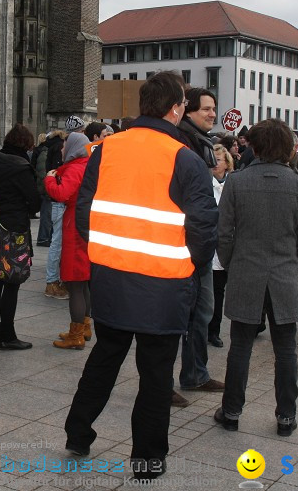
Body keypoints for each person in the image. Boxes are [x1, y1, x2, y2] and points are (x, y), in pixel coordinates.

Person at [64, 71, 217, 480]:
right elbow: (204, 229)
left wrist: (103, 254)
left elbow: (84, 213)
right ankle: (147, 461)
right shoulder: (184, 157)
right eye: (184, 103)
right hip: (164, 287)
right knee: (155, 377)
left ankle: (77, 434)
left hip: (112, 278)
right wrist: (188, 267)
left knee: (103, 360)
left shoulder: (105, 149)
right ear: (175, 108)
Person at [213, 119, 298, 437]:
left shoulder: (237, 182)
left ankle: (231, 411)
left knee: (240, 345)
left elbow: (224, 233)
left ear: (254, 146)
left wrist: (232, 264)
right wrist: (292, 263)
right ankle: (287, 416)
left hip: (246, 270)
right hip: (283, 272)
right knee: (286, 349)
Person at [173, 87, 223, 407]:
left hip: (200, 245)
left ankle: (195, 374)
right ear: (186, 110)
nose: (212, 114)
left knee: (202, 312)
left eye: (214, 109)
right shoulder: (181, 143)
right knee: (175, 317)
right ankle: (161, 385)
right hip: (183, 245)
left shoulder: (201, 143)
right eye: (206, 109)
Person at [0, 124, 42, 349]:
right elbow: (34, 201)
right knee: (12, 280)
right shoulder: (21, 167)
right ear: (25, 144)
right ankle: (8, 335)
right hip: (15, 228)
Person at [45, 132, 91, 349]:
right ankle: (84, 326)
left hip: (75, 227)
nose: (62, 149)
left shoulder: (75, 168)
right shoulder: (88, 165)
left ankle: (76, 335)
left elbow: (62, 193)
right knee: (83, 283)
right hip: (84, 224)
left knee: (74, 283)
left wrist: (49, 179)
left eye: (65, 145)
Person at [207, 144, 233, 348]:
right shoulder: (205, 182)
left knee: (218, 291)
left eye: (220, 160)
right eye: (213, 160)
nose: (216, 164)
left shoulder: (233, 184)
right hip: (205, 243)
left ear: (227, 163)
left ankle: (213, 330)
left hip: (223, 245)